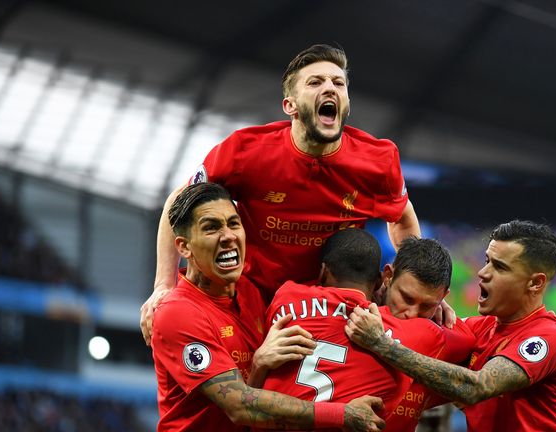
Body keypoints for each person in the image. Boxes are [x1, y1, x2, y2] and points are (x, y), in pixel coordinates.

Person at [141, 43, 423, 345]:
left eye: (338, 83)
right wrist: (163, 285)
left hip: (329, 308)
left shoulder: (378, 160)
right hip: (253, 301)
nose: (329, 88)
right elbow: (178, 203)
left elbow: (402, 219)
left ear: (346, 102)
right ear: (290, 105)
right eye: (315, 82)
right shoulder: (245, 151)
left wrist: (416, 285)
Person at [150, 182, 385, 431]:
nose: (228, 236)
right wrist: (342, 414)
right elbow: (239, 405)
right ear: (184, 246)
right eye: (211, 228)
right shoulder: (177, 313)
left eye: (234, 223)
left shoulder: (251, 292)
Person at [346, 220, 556, 431]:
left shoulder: (551, 337)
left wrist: (380, 343)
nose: (482, 272)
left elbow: (476, 387)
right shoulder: (476, 331)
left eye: (500, 267)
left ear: (535, 283)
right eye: (487, 261)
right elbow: (413, 332)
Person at [253, 229, 475, 431]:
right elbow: (467, 341)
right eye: (406, 298)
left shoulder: (287, 295)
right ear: (386, 277)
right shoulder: (422, 333)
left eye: (427, 305)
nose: (411, 313)